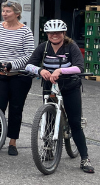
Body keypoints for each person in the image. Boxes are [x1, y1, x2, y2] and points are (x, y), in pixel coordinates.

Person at [25, 19, 93, 173]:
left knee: (75, 123)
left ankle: (85, 158)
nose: (54, 35)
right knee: (48, 117)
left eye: (57, 32)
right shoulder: (44, 47)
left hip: (69, 86)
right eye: (51, 33)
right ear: (47, 34)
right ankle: (48, 147)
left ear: (63, 33)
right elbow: (29, 64)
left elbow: (79, 67)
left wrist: (61, 71)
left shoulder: (71, 47)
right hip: (50, 86)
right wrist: (40, 70)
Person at [0, 0, 34, 156]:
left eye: (8, 11)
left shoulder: (26, 31)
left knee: (16, 109)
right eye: (3, 11)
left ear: (17, 14)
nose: (4, 14)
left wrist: (12, 64)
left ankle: (13, 142)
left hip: (18, 76)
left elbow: (29, 54)